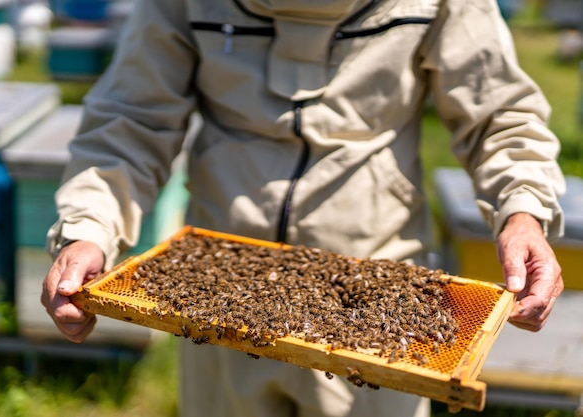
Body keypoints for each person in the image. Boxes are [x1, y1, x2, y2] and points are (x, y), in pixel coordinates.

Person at [41, 1, 566, 416]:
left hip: (379, 294)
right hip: (217, 291)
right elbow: (133, 118)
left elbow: (499, 113)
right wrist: (90, 225)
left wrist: (523, 208)